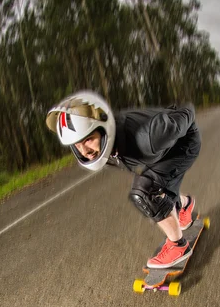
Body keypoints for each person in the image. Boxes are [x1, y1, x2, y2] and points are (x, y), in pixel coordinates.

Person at [46, 91, 201, 269]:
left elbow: (186, 112)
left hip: (183, 145)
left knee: (144, 193)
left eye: (88, 139)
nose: (84, 151)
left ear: (104, 130)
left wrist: (184, 107)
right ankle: (184, 205)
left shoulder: (150, 136)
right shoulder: (103, 148)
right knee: (156, 185)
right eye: (77, 145)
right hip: (157, 155)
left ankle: (178, 246)